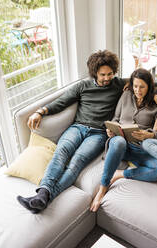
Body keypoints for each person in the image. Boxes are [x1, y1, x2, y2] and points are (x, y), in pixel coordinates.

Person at [17, 50, 127, 214]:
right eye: (102, 74)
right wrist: (40, 112)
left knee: (77, 162)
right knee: (61, 153)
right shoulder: (83, 86)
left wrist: (132, 86)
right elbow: (62, 101)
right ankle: (43, 193)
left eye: (110, 74)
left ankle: (43, 197)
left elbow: (142, 82)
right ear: (94, 73)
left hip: (98, 134)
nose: (107, 78)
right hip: (77, 127)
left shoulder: (118, 84)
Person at [90, 68, 157, 212]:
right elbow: (116, 118)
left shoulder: (156, 104)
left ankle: (120, 174)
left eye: (142, 87)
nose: (138, 90)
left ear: (149, 86)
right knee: (119, 142)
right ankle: (103, 188)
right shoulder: (126, 94)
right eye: (135, 86)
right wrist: (111, 130)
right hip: (119, 143)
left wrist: (149, 135)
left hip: (141, 149)